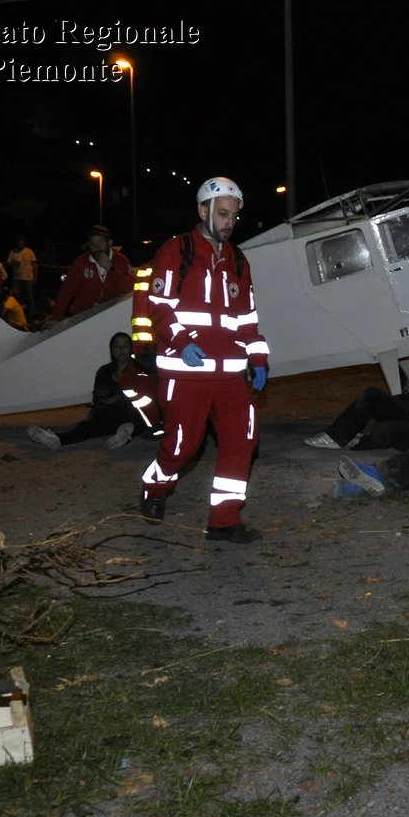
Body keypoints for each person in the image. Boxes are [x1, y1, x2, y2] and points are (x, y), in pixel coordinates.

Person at [139, 177, 270, 545]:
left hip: (230, 376)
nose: (229, 222)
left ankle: (224, 520)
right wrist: (181, 343)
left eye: (234, 216)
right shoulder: (175, 251)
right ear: (203, 211)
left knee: (243, 439)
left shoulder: (238, 260)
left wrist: (257, 358)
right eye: (223, 214)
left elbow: (247, 318)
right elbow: (159, 306)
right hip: (187, 373)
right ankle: (156, 485)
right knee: (182, 446)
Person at [27, 332, 156, 450]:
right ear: (111, 349)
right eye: (117, 346)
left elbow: (151, 398)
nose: (121, 350)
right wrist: (100, 399)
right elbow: (96, 402)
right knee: (87, 427)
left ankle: (126, 433)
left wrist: (122, 397)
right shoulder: (103, 372)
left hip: (135, 413)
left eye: (125, 346)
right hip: (110, 415)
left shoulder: (141, 370)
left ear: (131, 349)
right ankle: (57, 439)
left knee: (136, 420)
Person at [48, 224, 133, 323]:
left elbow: (129, 287)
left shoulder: (120, 260)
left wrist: (111, 269)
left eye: (101, 242)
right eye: (93, 244)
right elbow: (66, 291)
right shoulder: (81, 262)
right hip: (83, 315)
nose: (97, 247)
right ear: (88, 245)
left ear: (109, 243)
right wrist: (56, 317)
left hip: (111, 315)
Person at [7, 237, 38, 321]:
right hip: (16, 278)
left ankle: (32, 317)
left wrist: (35, 277)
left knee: (30, 297)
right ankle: (17, 316)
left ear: (24, 243)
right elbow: (8, 263)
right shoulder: (13, 252)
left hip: (28, 278)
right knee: (16, 297)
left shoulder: (29, 251)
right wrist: (13, 263)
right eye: (19, 242)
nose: (20, 244)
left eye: (22, 242)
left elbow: (34, 265)